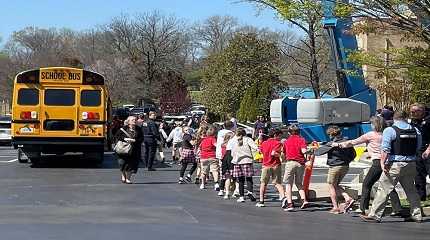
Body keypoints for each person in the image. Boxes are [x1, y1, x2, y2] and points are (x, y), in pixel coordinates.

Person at [360, 111, 423, 223]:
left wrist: (383, 163)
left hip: (395, 164)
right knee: (411, 190)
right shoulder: (416, 130)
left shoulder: (390, 130)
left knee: (383, 189)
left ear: (394, 118)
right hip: (411, 163)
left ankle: (375, 215)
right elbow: (418, 147)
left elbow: (385, 149)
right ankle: (417, 215)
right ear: (406, 117)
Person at [336, 116, 401, 215]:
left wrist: (339, 145)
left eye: (371, 124)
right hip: (388, 162)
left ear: (374, 125)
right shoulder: (387, 134)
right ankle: (397, 208)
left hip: (377, 163)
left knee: (367, 184)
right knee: (388, 185)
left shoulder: (370, 135)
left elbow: (353, 142)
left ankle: (363, 208)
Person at [315, 125, 356, 214]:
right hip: (345, 166)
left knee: (331, 186)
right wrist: (347, 160)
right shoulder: (346, 142)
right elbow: (354, 154)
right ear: (340, 133)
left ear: (330, 135)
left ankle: (336, 207)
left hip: (334, 166)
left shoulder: (331, 144)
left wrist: (314, 149)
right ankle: (347, 198)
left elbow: (318, 152)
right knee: (336, 184)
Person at [256, 128, 288, 209]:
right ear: (275, 135)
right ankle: (284, 197)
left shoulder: (264, 143)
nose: (280, 138)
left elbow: (261, 151)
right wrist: (280, 156)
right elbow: (274, 153)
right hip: (276, 165)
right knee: (277, 183)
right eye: (279, 136)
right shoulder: (278, 143)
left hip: (266, 165)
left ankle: (261, 201)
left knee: (263, 183)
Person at [282, 124, 310, 211]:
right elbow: (304, 151)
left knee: (288, 184)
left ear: (289, 132)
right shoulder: (302, 140)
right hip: (300, 163)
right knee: (299, 183)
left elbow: (284, 153)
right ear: (299, 132)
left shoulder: (286, 141)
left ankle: (290, 204)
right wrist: (310, 150)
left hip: (290, 162)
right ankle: (304, 200)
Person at [230, 128, 258, 203]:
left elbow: (232, 153)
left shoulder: (234, 141)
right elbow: (254, 147)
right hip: (247, 161)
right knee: (249, 178)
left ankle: (241, 196)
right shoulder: (248, 139)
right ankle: (250, 192)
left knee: (240, 180)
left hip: (237, 162)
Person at [409, 103, 430, 201]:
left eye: (414, 112)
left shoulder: (428, 120)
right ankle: (420, 197)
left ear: (421, 111)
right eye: (411, 112)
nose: (412, 114)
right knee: (418, 175)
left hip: (427, 148)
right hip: (418, 150)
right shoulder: (414, 121)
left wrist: (428, 149)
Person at [114, 115, 143, 184]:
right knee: (122, 163)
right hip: (124, 149)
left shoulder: (139, 129)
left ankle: (128, 178)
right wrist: (125, 139)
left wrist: (135, 140)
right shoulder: (123, 129)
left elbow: (141, 139)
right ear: (128, 122)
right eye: (132, 120)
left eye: (135, 120)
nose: (134, 121)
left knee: (132, 164)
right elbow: (117, 136)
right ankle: (123, 174)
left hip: (134, 150)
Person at [199, 126, 219, 190]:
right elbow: (216, 145)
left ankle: (203, 184)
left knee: (204, 171)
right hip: (212, 156)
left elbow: (200, 147)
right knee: (214, 170)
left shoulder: (204, 140)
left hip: (203, 157)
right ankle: (216, 183)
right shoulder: (213, 139)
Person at [218, 132, 234, 199]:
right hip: (229, 161)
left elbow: (222, 153)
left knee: (224, 176)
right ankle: (228, 190)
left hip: (223, 160)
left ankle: (222, 189)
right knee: (231, 177)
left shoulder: (223, 144)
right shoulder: (230, 145)